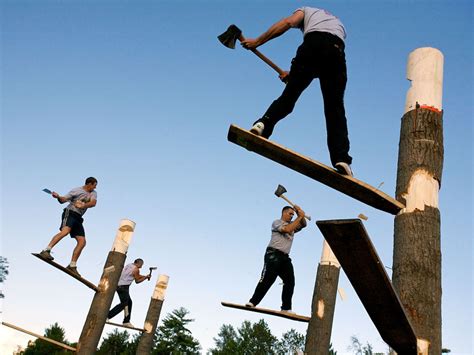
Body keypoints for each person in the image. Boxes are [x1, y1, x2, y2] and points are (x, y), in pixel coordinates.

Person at [241, 6, 353, 176]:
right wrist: (292, 75)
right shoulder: (338, 24)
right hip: (337, 51)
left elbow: (288, 22)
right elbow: (324, 55)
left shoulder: (305, 10)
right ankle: (342, 158)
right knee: (334, 109)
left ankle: (263, 124)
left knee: (289, 96)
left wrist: (257, 41)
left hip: (313, 45)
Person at [246, 205, 307, 313]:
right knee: (267, 279)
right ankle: (253, 302)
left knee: (290, 281)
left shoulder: (292, 225)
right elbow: (288, 229)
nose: (291, 216)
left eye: (293, 214)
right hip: (273, 255)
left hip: (285, 257)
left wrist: (299, 213)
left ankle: (286, 308)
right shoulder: (277, 222)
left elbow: (303, 225)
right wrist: (299, 217)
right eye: (290, 214)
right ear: (284, 213)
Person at [39, 177, 98, 277]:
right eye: (94, 185)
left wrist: (83, 205)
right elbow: (63, 200)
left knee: (82, 242)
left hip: (78, 217)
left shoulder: (93, 193)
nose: (95, 187)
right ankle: (46, 251)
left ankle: (72, 265)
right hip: (70, 213)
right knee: (65, 231)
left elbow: (93, 203)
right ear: (89, 184)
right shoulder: (76, 190)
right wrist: (58, 196)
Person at [107, 258, 151, 327]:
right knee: (124, 304)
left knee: (129, 303)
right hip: (124, 287)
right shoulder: (136, 269)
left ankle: (126, 321)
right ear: (139, 263)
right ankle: (107, 316)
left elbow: (135, 275)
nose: (141, 267)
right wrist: (145, 278)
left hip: (118, 285)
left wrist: (145, 276)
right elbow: (137, 281)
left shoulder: (129, 265)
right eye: (141, 265)